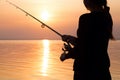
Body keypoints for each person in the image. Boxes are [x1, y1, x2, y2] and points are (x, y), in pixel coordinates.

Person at [60, 0, 114, 80]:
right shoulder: (106, 17)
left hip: (85, 72)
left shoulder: (85, 19)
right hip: (102, 70)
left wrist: (66, 55)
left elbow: (84, 49)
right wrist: (74, 40)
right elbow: (92, 44)